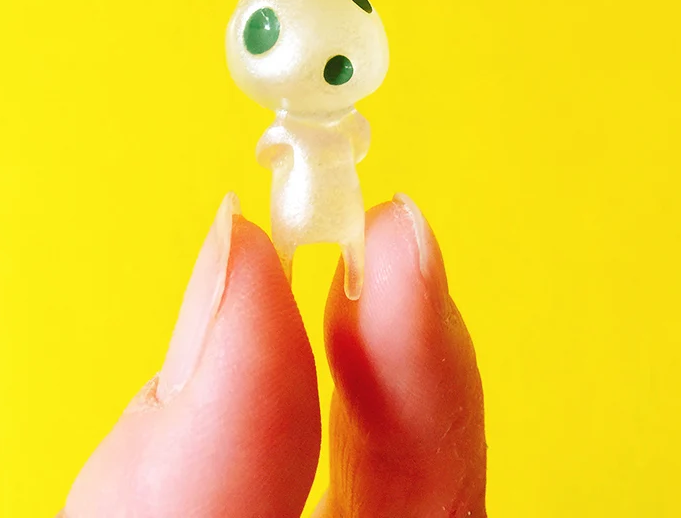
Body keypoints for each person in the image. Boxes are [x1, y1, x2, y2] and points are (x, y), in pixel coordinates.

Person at [60, 195, 487, 517]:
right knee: (286, 258)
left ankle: (340, 274)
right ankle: (291, 273)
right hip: (296, 199)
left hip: (331, 195)